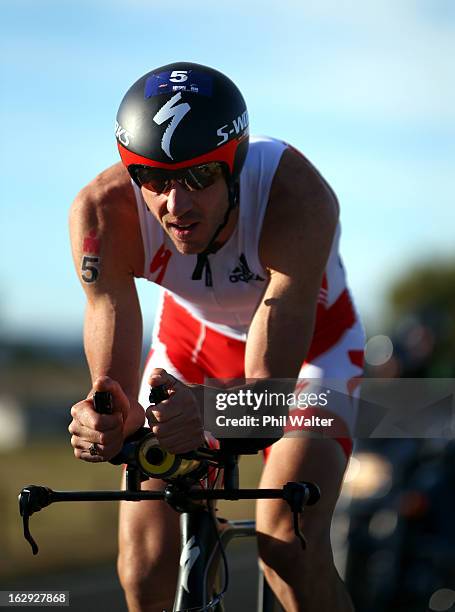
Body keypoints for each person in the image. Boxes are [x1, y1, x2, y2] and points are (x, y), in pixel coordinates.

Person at [68, 62, 364, 612]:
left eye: (200, 177)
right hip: (190, 346)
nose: (174, 205)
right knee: (143, 567)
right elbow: (113, 383)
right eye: (154, 180)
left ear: (236, 164)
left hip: (311, 358)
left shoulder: (295, 196)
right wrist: (105, 415)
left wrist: (205, 415)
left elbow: (268, 399)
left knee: (287, 543)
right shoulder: (102, 213)